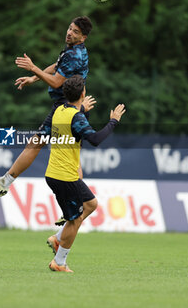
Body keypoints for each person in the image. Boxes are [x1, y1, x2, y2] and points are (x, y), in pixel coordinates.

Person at [0, 16, 94, 196]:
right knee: (70, 155)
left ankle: (5, 182)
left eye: (76, 32)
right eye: (70, 28)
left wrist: (33, 69)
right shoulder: (72, 50)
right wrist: (34, 77)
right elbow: (57, 66)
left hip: (66, 107)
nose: (70, 33)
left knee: (37, 142)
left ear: (84, 37)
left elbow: (56, 82)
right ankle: (80, 201)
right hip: (69, 106)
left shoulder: (75, 54)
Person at [46, 75, 125, 272]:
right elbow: (95, 139)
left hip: (58, 173)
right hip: (64, 176)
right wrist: (113, 121)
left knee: (91, 204)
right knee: (76, 220)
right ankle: (59, 262)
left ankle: (57, 238)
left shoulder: (59, 111)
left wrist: (83, 112)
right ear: (83, 93)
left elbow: (75, 134)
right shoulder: (76, 116)